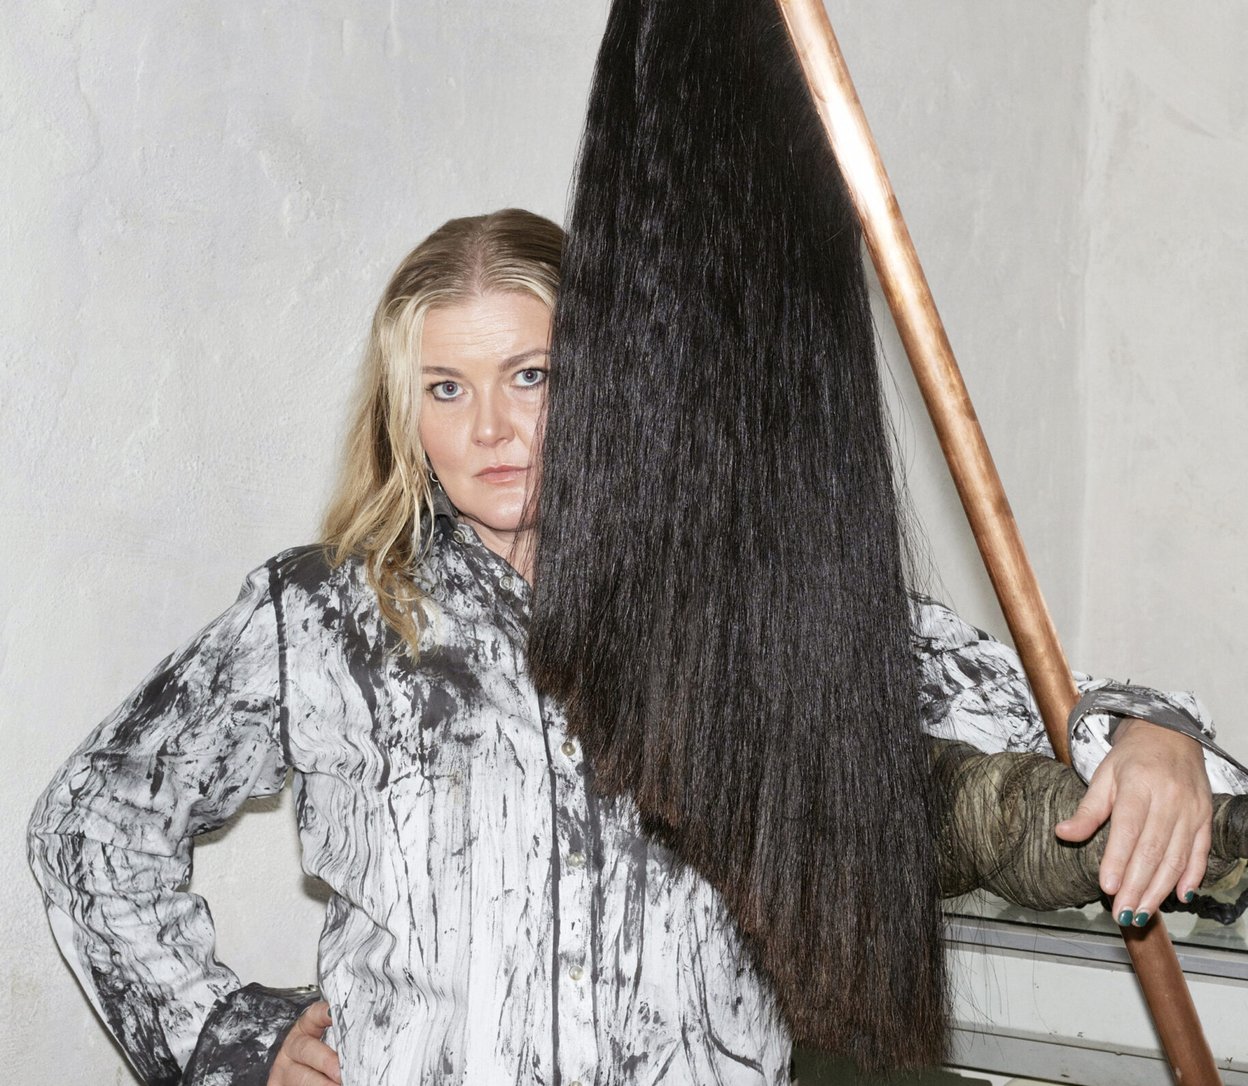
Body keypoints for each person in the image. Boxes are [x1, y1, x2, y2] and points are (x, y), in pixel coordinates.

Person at [27, 208, 1241, 1086]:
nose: (492, 429)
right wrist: (230, 1035)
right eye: (445, 389)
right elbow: (91, 820)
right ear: (404, 412)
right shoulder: (322, 617)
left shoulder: (741, 594)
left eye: (530, 375)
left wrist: (1154, 735)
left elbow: (1036, 703)